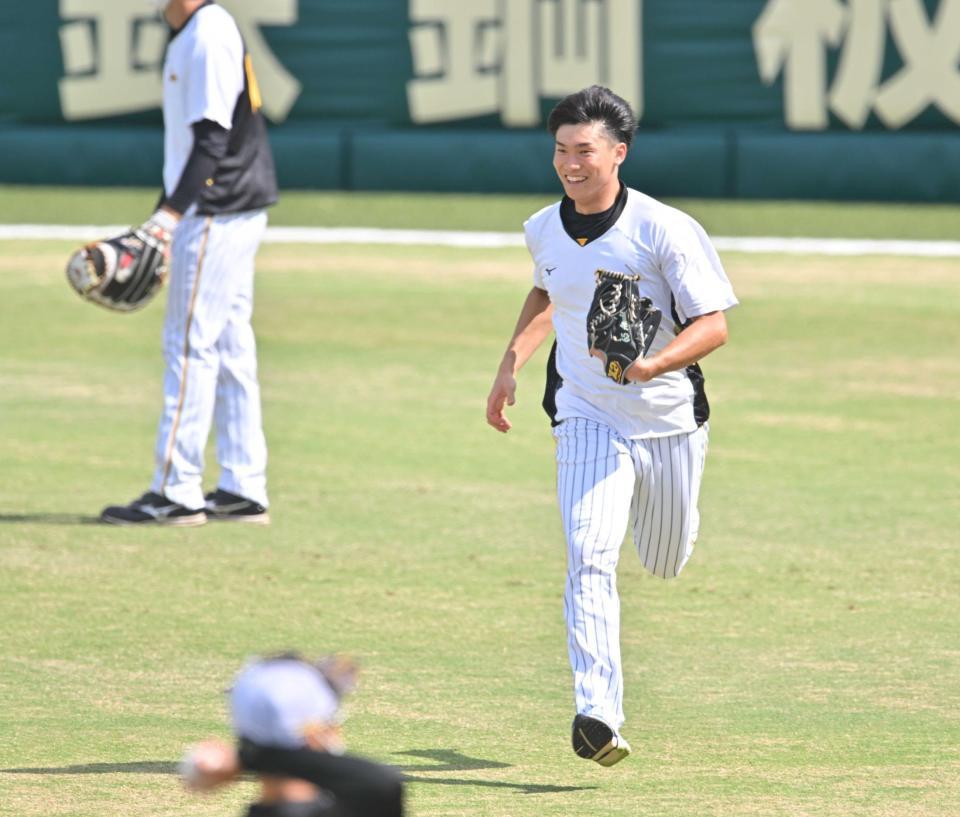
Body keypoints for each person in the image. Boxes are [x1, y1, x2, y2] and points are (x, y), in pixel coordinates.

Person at [485, 85, 738, 767]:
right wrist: (512, 362)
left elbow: (713, 324)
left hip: (666, 421)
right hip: (587, 412)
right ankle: (599, 713)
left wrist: (654, 365)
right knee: (587, 552)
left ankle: (667, 527)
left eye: (585, 150)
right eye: (561, 149)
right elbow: (547, 288)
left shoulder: (664, 229)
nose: (571, 163)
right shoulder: (543, 226)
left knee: (664, 557)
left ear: (618, 153)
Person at [100, 0, 277, 526]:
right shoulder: (198, 30)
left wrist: (168, 217)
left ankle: (175, 491)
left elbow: (213, 138)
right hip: (229, 208)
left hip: (216, 213)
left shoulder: (207, 33)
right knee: (227, 344)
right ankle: (243, 485)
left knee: (189, 344)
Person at [179, 652, 405, 817]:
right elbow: (382, 782)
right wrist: (247, 758)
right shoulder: (370, 800)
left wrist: (249, 756)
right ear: (320, 732)